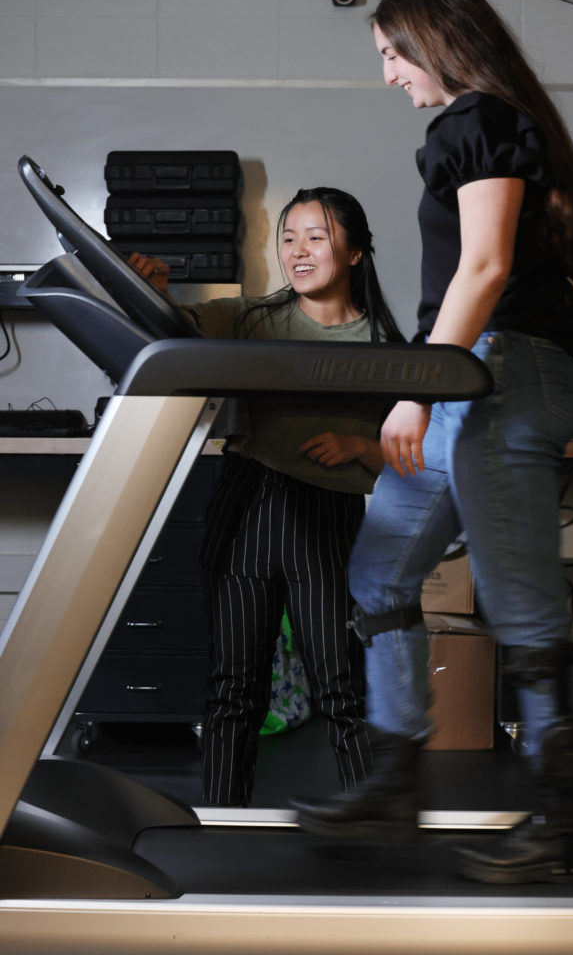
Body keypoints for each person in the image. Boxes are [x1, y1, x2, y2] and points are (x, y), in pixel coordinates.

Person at [292, 0, 573, 885]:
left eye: (393, 52)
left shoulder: (476, 122)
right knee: (380, 573)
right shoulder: (485, 126)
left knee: (521, 605)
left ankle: (560, 820)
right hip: (469, 377)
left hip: (493, 376)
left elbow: (483, 269)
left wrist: (417, 389)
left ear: (439, 38)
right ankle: (394, 780)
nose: (388, 72)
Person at [137, 186, 404, 806]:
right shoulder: (252, 317)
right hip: (246, 502)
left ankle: (369, 822)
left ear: (357, 251)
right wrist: (154, 291)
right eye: (288, 237)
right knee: (235, 689)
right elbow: (173, 333)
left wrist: (358, 445)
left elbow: (416, 448)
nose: (299, 250)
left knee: (341, 689)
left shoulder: (386, 343)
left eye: (317, 235)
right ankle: (223, 828)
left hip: (327, 518)